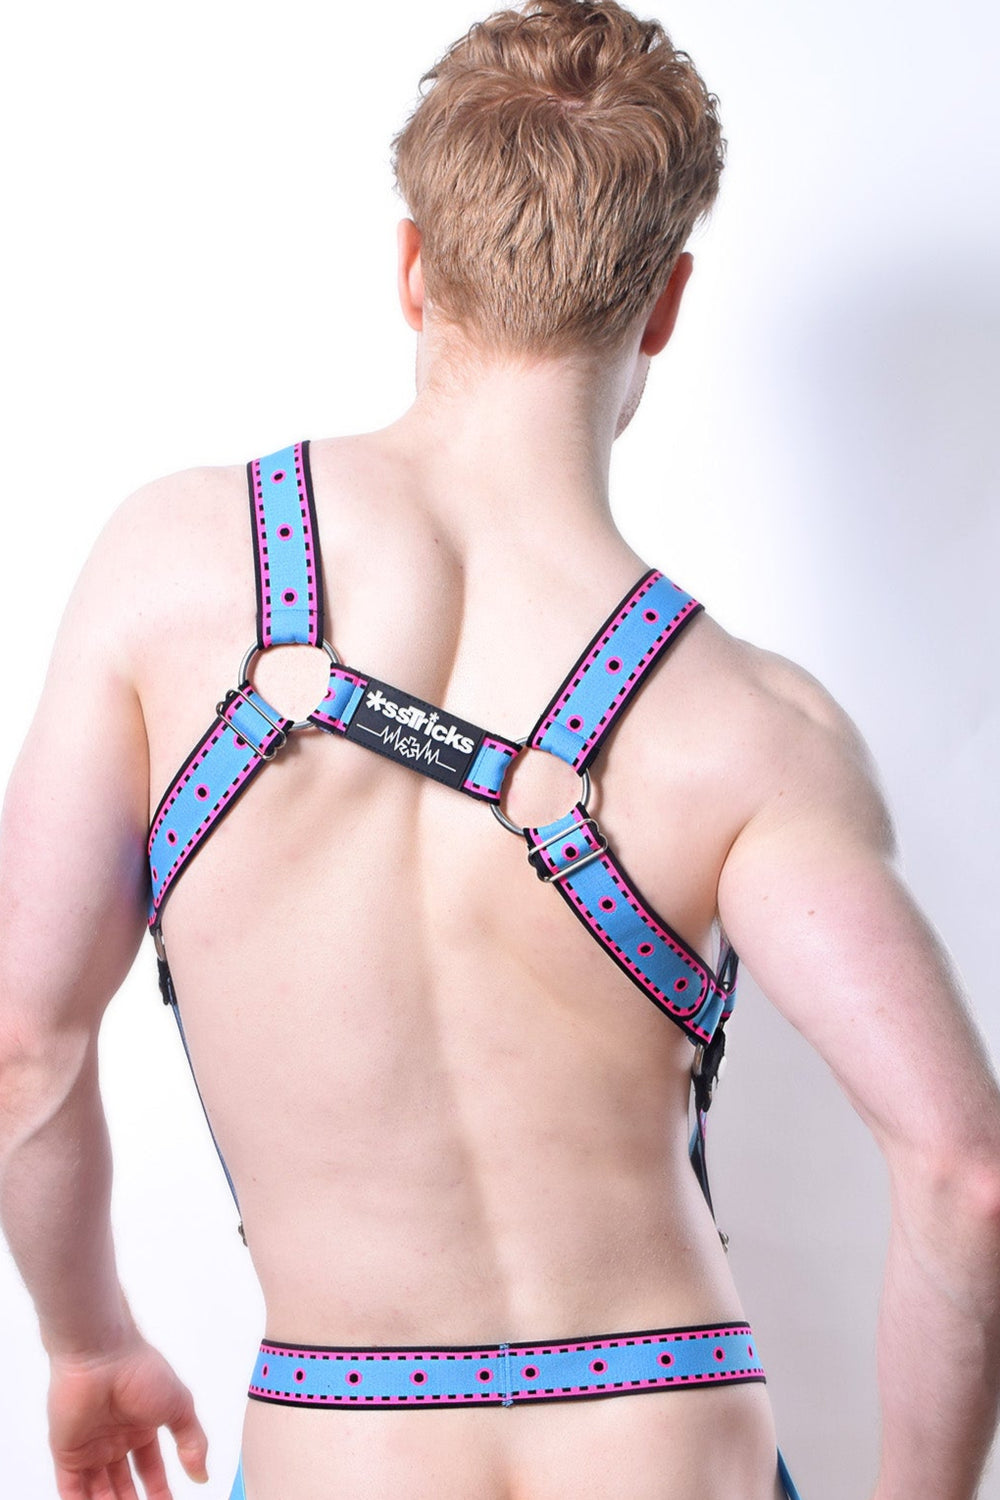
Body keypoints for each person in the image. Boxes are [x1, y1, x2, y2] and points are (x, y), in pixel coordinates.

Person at [1, 0, 999, 1496]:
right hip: (667, 1440)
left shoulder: (171, 572)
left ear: (414, 267)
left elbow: (24, 1039)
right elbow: (966, 1176)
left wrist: (89, 1344)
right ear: (663, 303)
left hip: (348, 1442)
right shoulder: (752, 726)